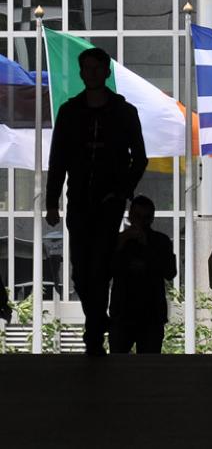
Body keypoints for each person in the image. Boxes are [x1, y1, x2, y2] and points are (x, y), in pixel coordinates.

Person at [45, 47, 148, 356]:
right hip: (78, 200)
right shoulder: (69, 111)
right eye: (86, 68)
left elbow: (139, 158)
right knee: (80, 269)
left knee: (101, 264)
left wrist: (122, 191)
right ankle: (97, 318)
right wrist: (52, 201)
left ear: (106, 72)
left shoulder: (123, 112)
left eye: (96, 68)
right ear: (81, 73)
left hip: (108, 203)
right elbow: (58, 159)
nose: (90, 73)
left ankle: (93, 334)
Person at [108, 196, 176, 354]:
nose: (141, 222)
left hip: (151, 315)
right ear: (130, 216)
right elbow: (107, 271)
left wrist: (147, 247)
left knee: (149, 369)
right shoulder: (119, 241)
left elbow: (170, 272)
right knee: (118, 365)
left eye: (145, 218)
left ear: (151, 219)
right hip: (123, 313)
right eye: (137, 217)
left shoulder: (161, 241)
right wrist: (120, 244)